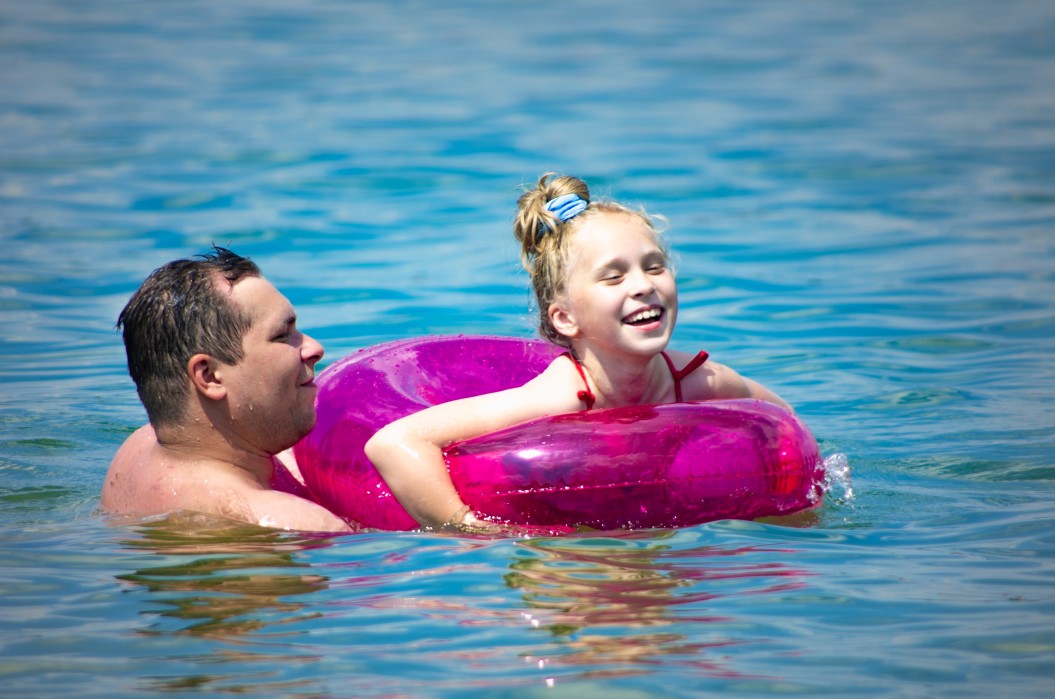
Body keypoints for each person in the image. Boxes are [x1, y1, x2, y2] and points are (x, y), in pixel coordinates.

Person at [366, 174, 792, 530]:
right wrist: (469, 528)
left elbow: (781, 424)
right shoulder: (563, 395)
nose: (643, 285)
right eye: (613, 276)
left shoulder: (701, 380)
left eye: (655, 265)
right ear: (566, 319)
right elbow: (394, 442)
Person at [101, 246, 354, 533]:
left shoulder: (138, 451)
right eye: (283, 335)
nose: (315, 348)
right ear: (209, 376)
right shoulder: (295, 525)